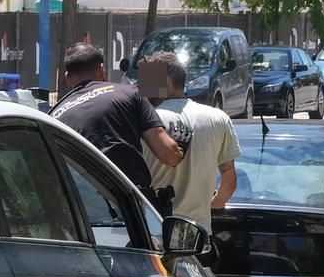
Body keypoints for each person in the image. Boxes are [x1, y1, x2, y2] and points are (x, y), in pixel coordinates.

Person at [50, 43, 183, 192]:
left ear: (67, 78)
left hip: (82, 204)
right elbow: (170, 155)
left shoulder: (53, 116)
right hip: (129, 199)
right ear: (101, 70)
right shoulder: (128, 94)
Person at [139, 51, 240, 233]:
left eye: (148, 79)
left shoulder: (147, 121)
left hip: (154, 234)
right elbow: (229, 183)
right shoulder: (218, 118)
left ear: (167, 81)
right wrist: (205, 209)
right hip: (198, 237)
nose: (142, 86)